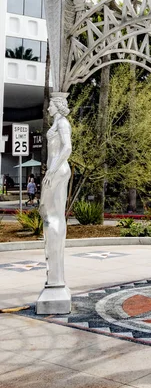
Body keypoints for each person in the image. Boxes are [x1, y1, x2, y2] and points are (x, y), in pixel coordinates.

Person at [39, 93, 72, 287]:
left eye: (51, 105)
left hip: (58, 171)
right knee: (50, 214)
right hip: (55, 170)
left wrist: (51, 170)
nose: (48, 108)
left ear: (58, 106)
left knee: (54, 215)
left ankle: (56, 265)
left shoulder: (63, 124)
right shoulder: (57, 124)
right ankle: (53, 259)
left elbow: (67, 148)